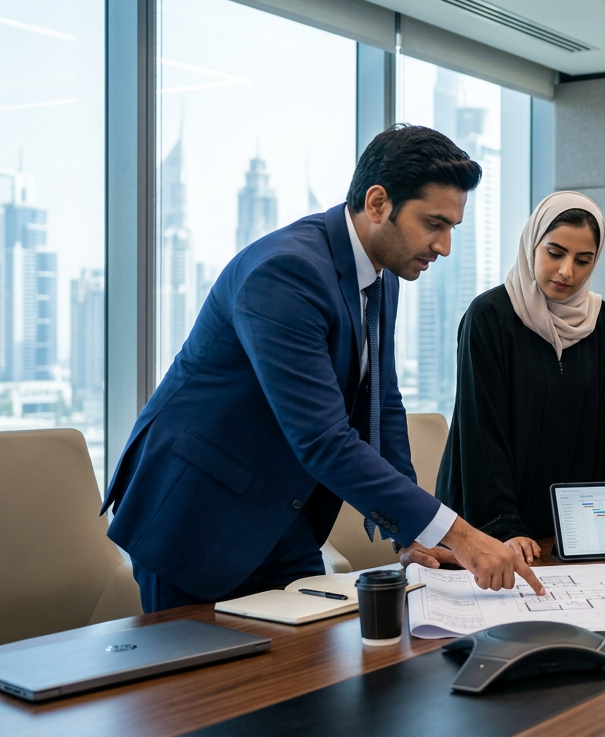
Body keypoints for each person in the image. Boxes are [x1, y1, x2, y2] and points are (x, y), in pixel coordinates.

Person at [101, 125, 544, 612]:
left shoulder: (382, 274)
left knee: (307, 673)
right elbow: (323, 437)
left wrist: (409, 534)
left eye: (452, 229)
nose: (444, 246)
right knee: (198, 685)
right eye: (434, 224)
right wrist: (460, 534)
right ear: (378, 204)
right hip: (197, 514)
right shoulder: (286, 272)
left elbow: (381, 404)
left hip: (283, 516)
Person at [435, 192, 605, 565]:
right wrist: (506, 527)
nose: (566, 272)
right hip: (485, 529)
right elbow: (482, 432)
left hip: (563, 533)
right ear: (532, 244)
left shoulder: (597, 318)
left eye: (583, 260)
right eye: (555, 253)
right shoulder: (489, 315)